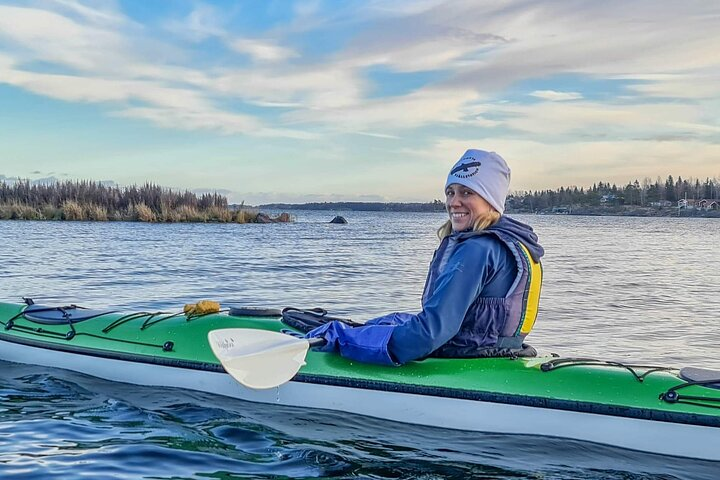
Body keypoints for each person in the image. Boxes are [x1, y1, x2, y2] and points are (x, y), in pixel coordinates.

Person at [306, 149, 544, 365]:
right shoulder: (516, 243)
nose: (453, 202)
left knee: (346, 335)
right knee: (393, 319)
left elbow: (431, 332)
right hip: (496, 350)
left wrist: (344, 340)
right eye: (450, 192)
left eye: (467, 193)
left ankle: (331, 338)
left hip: (468, 354)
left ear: (491, 200)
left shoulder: (478, 249)